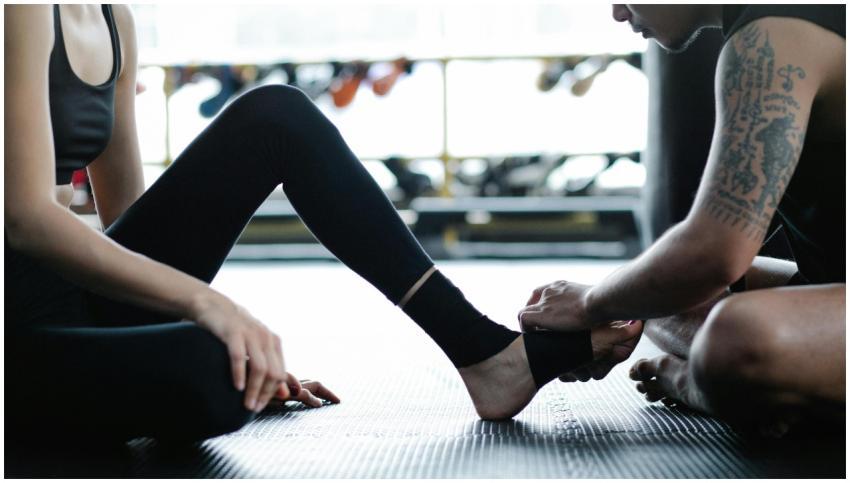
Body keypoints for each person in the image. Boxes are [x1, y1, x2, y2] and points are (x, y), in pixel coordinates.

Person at [4, 5, 643, 444]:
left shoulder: (113, 18)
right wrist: (213, 310)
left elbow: (132, 227)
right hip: (17, 319)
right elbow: (25, 218)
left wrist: (227, 337)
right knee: (212, 370)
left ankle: (482, 350)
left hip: (77, 301)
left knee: (277, 118)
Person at [520, 4, 845, 437]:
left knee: (735, 339)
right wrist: (620, 305)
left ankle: (699, 385)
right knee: (660, 294)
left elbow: (714, 253)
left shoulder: (774, 36)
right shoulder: (770, 26)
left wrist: (590, 304)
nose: (618, 11)